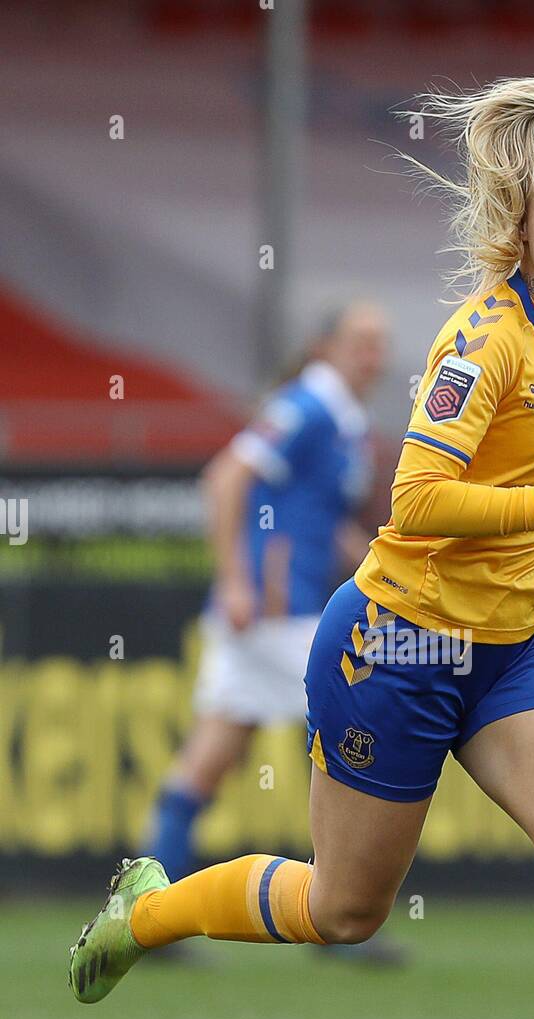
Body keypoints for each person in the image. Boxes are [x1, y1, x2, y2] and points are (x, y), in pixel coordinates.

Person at [70, 76, 534, 1019]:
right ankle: (151, 909)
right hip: (397, 644)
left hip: (513, 651)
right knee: (343, 909)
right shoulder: (481, 341)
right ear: (520, 223)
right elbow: (416, 500)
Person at [143, 301, 402, 963]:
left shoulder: (342, 421)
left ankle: (147, 914)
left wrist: (380, 568)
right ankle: (337, 920)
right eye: (360, 343)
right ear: (324, 346)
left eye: (379, 346)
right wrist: (234, 578)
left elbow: (316, 520)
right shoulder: (308, 407)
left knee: (210, 756)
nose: (372, 357)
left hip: (277, 611)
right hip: (273, 611)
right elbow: (225, 477)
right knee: (354, 730)